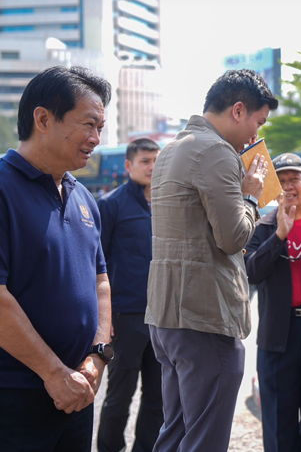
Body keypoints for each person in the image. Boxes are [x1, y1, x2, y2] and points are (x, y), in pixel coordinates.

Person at [145, 69, 278, 452]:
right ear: (238, 110)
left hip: (167, 315)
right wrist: (251, 196)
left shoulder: (173, 148)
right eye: (258, 121)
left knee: (176, 431)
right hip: (205, 316)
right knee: (204, 440)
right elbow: (234, 236)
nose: (256, 136)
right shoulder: (217, 151)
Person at [0, 66, 113, 451]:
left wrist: (97, 357)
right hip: (10, 396)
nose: (95, 139)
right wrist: (55, 375)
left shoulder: (83, 196)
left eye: (101, 129)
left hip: (77, 391)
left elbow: (101, 281)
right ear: (43, 118)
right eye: (89, 124)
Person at [244, 153, 301, 452]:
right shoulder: (263, 226)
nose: (289, 186)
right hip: (277, 339)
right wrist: (280, 235)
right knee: (278, 429)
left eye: (294, 179)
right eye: (281, 181)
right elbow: (252, 273)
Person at [96, 138, 163, 452]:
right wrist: (104, 318)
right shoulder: (110, 205)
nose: (152, 167)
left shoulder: (169, 202)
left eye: (156, 161)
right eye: (145, 161)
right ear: (128, 166)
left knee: (158, 397)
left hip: (163, 317)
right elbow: (97, 265)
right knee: (119, 395)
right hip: (126, 316)